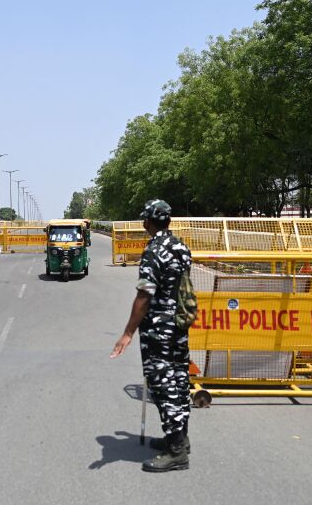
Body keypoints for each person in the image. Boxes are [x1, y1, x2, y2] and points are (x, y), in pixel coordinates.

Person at [110, 199, 193, 473]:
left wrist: (127, 332)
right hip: (179, 325)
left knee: (164, 386)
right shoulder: (180, 246)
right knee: (179, 380)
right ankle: (179, 438)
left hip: (159, 329)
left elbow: (145, 294)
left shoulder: (154, 251)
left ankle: (176, 452)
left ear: (148, 222)